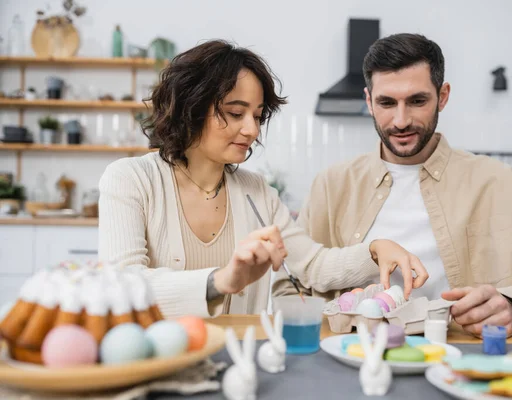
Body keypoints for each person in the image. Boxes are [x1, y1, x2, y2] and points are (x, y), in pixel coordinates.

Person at [98, 40, 429, 319]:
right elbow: (121, 284)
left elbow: (312, 265)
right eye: (235, 112)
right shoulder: (131, 179)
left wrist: (374, 249)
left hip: (241, 362)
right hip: (159, 364)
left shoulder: (256, 192)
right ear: (191, 106)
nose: (252, 130)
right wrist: (221, 280)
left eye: (257, 116)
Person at [298, 33, 512, 337]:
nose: (401, 121)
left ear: (442, 96)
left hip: (461, 360)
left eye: (417, 101)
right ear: (369, 102)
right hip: (353, 356)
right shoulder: (331, 185)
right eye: (387, 102)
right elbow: (290, 287)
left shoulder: (496, 182)